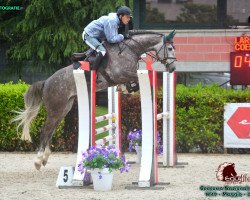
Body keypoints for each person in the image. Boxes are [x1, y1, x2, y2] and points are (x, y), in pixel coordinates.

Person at [82, 6, 132, 71]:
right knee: (102, 51)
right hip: (89, 35)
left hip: (97, 36)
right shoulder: (112, 21)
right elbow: (111, 39)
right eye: (127, 17)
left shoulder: (116, 20)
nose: (129, 19)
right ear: (120, 16)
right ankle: (93, 73)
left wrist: (120, 36)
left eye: (129, 17)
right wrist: (122, 36)